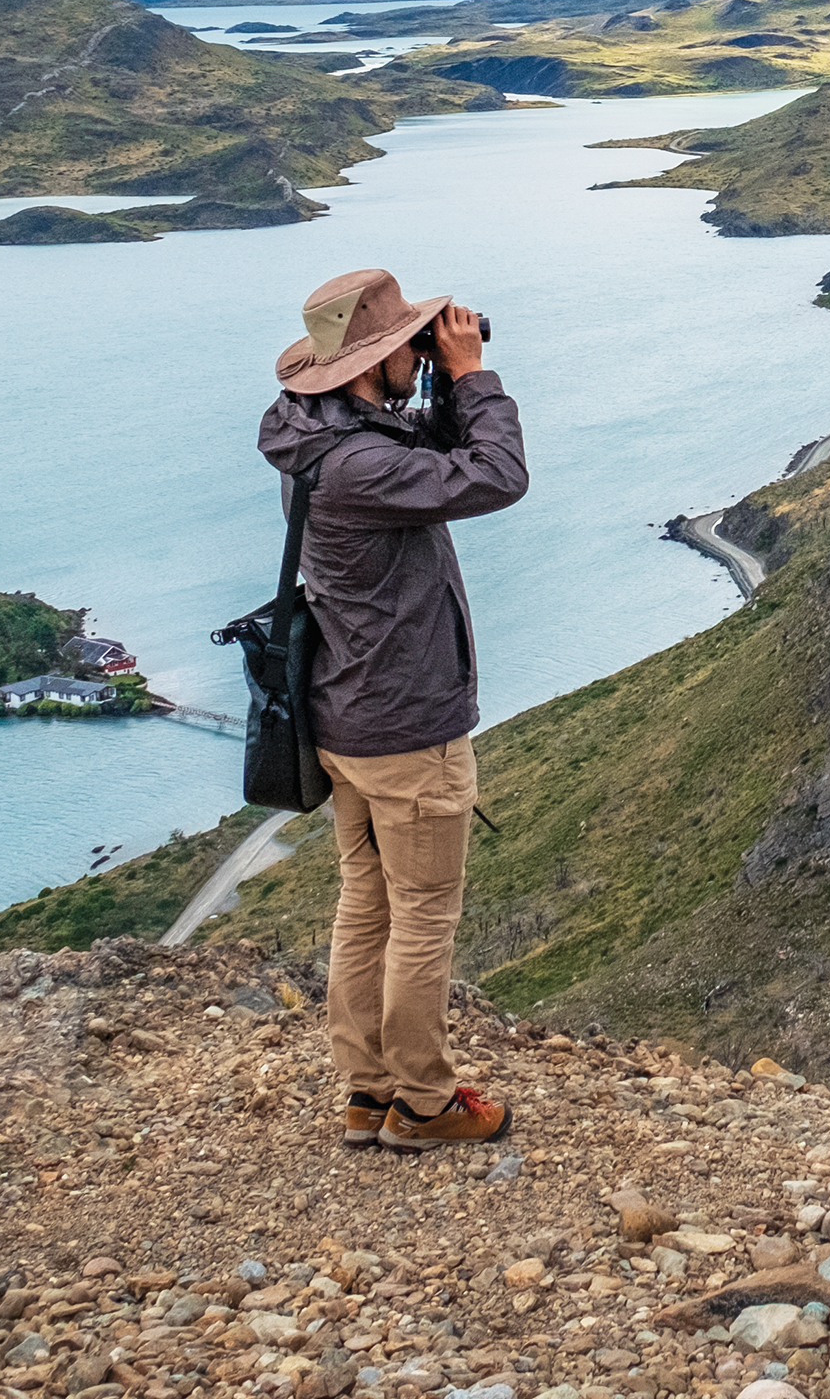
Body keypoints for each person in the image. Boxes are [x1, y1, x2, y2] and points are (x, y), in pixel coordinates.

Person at [257, 267, 530, 1153]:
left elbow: (424, 450)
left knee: (367, 907)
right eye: (405, 344)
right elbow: (495, 476)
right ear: (369, 364)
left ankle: (367, 1090)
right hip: (407, 728)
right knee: (422, 917)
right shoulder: (365, 465)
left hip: (348, 723)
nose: (423, 351)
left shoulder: (320, 434)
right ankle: (424, 1100)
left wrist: (440, 377)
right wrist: (475, 376)